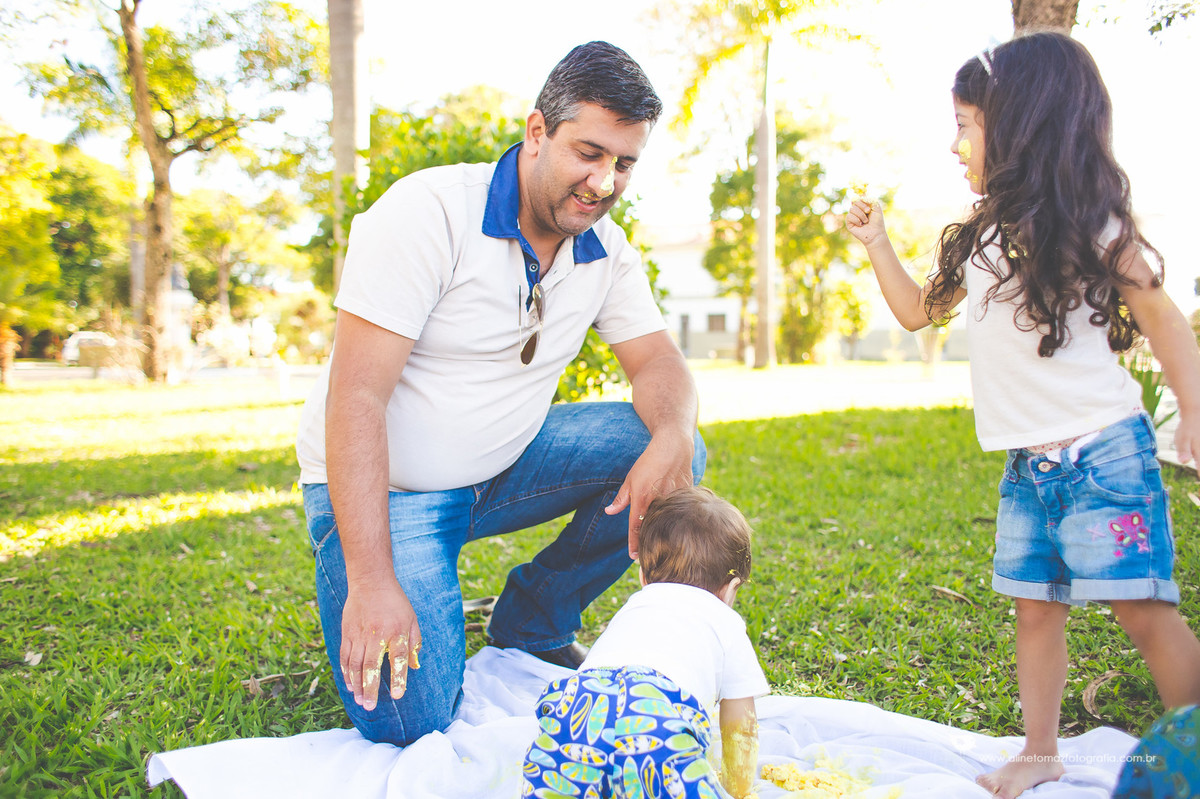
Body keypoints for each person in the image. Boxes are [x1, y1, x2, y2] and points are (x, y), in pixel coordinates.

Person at [295, 41, 706, 748]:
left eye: (625, 163)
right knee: (411, 718)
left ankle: (534, 619)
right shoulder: (429, 212)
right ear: (537, 131)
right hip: (391, 491)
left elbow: (658, 362)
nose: (604, 182)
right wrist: (372, 581)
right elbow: (356, 397)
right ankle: (388, 578)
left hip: (506, 468)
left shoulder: (606, 248)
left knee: (676, 448)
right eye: (589, 152)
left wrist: (671, 434)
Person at [844, 32, 1200, 799]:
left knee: (1142, 606)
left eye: (966, 123)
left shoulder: (1092, 226)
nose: (955, 143)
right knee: (1035, 610)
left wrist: (1195, 411)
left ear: (1024, 122)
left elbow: (1164, 319)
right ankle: (1041, 751)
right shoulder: (980, 238)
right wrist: (876, 241)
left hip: (1104, 454)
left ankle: (1197, 733)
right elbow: (912, 312)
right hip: (1027, 466)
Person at [519, 485, 768, 799]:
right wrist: (738, 788)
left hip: (577, 707)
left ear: (643, 578)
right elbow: (740, 725)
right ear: (731, 589)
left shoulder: (636, 604)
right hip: (656, 718)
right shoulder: (725, 620)